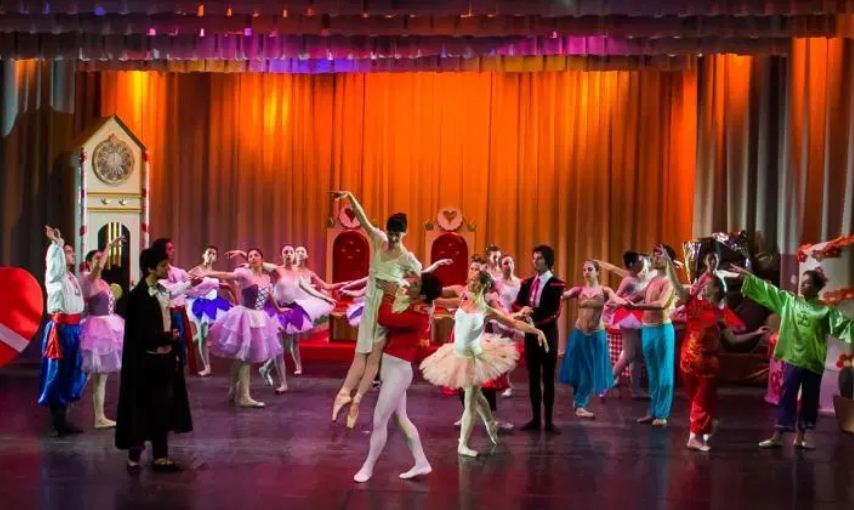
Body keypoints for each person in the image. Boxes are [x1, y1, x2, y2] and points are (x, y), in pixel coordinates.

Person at [329, 190, 450, 428]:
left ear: (404, 233)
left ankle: (358, 399)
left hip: (388, 304)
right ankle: (344, 394)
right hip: (370, 302)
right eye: (391, 232)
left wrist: (429, 289)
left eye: (397, 234)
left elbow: (423, 281)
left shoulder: (407, 258)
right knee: (360, 353)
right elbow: (363, 219)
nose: (393, 238)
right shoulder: (378, 240)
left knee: (374, 355)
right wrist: (350, 197)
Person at [421, 269, 547, 457]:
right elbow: (435, 299)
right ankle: (490, 423)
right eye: (470, 279)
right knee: (477, 396)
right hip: (457, 355)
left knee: (470, 401)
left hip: (475, 358)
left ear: (483, 285)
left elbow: (512, 323)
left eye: (475, 281)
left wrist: (536, 331)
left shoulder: (487, 310)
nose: (470, 283)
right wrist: (417, 294)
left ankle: (463, 444)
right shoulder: (461, 301)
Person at [730, 264, 854, 449]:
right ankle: (777, 435)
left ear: (816, 288)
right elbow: (770, 291)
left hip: (813, 360)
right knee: (787, 394)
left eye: (807, 283)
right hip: (794, 357)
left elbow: (845, 326)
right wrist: (749, 276)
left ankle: (801, 437)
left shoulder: (825, 311)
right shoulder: (790, 301)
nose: (802, 286)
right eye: (802, 283)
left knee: (810, 398)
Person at [659, 250, 767, 451]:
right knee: (696, 401)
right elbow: (676, 284)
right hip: (687, 360)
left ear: (716, 290)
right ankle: (702, 430)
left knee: (702, 401)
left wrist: (755, 334)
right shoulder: (692, 303)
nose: (704, 286)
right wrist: (668, 264)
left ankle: (695, 437)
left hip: (707, 364)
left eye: (708, 285)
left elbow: (733, 340)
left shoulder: (720, 315)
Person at [353, 272, 442, 483]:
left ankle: (368, 467)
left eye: (415, 285)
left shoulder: (418, 315)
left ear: (422, 295)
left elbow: (385, 318)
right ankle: (421, 462)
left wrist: (388, 295)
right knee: (401, 419)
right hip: (393, 370)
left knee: (379, 420)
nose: (409, 286)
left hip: (398, 372)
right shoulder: (414, 307)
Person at [115, 246, 196, 472]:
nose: (167, 269)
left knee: (163, 407)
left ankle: (161, 456)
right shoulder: (138, 296)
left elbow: (165, 317)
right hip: (145, 364)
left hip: (164, 360)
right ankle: (134, 456)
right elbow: (139, 333)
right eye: (163, 265)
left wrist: (173, 346)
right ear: (150, 268)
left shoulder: (162, 291)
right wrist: (166, 336)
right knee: (141, 409)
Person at [193, 249, 286, 408]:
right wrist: (208, 273)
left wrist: (278, 309)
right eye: (250, 256)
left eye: (256, 255)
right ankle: (244, 397)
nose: (253, 258)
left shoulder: (266, 277)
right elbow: (227, 275)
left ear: (262, 258)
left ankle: (232, 391)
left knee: (241, 357)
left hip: (259, 318)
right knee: (245, 358)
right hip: (244, 317)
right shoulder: (244, 273)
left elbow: (268, 294)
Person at [559, 261, 627, 418]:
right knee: (576, 370)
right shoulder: (579, 290)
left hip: (596, 335)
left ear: (597, 272)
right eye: (584, 270)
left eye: (590, 269)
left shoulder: (604, 290)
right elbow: (563, 296)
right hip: (579, 334)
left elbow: (616, 298)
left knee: (590, 371)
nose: (586, 272)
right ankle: (578, 397)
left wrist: (627, 303)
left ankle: (580, 405)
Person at [38, 226, 87, 436]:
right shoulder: (54, 275)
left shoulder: (71, 277)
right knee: (57, 372)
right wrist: (56, 244)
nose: (72, 254)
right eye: (68, 252)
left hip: (74, 328)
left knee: (73, 372)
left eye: (72, 251)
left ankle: (63, 416)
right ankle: (57, 418)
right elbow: (54, 264)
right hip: (61, 329)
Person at [513, 245, 566, 433]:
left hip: (548, 335)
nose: (535, 261)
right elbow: (517, 303)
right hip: (530, 335)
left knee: (548, 378)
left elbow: (555, 312)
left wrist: (532, 317)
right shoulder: (527, 282)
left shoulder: (556, 284)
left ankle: (549, 421)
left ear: (548, 261)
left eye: (539, 258)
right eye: (533, 258)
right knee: (533, 377)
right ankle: (535, 419)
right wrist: (522, 311)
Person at [627, 244, 678, 427]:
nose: (655, 258)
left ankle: (662, 414)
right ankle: (654, 411)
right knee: (652, 374)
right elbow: (638, 295)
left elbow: (661, 304)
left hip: (662, 330)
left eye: (659, 255)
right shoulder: (654, 279)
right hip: (647, 330)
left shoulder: (669, 281)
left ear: (668, 260)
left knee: (664, 373)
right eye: (654, 254)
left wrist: (636, 307)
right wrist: (619, 302)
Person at [79, 237, 126, 429]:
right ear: (89, 262)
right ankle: (65, 406)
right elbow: (98, 268)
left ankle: (100, 417)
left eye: (102, 257)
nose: (101, 261)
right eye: (96, 258)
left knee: (102, 375)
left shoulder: (103, 282)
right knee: (89, 375)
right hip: (96, 330)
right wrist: (109, 247)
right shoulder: (87, 278)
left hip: (109, 327)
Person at [597, 251, 651, 398]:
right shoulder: (628, 280)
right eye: (639, 260)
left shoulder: (637, 278)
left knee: (637, 355)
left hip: (637, 316)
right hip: (628, 317)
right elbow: (617, 295)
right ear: (632, 264)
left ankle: (636, 390)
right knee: (629, 354)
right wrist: (607, 308)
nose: (642, 262)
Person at [150, 238, 196, 373]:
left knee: (180, 344)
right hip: (166, 313)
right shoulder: (155, 273)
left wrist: (212, 282)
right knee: (167, 345)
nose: (173, 251)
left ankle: (178, 372)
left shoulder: (179, 271)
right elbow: (167, 293)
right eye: (169, 249)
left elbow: (193, 287)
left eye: (173, 248)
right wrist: (187, 284)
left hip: (179, 312)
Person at [186, 245, 233, 376]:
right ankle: (207, 367)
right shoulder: (196, 270)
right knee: (203, 334)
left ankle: (184, 350)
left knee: (203, 334)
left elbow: (226, 286)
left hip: (213, 303)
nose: (211, 255)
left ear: (216, 257)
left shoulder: (215, 273)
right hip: (199, 304)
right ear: (204, 255)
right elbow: (187, 286)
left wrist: (235, 300)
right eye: (209, 253)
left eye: (214, 253)